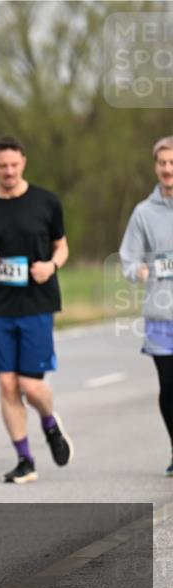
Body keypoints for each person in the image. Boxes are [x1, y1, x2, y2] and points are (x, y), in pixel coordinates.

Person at [0, 135, 73, 484]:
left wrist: (51, 266)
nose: (8, 171)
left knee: (32, 387)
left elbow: (62, 246)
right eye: (2, 166)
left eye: (14, 164)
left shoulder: (46, 201)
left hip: (38, 303)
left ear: (23, 161)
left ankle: (51, 423)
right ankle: (25, 459)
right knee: (7, 385)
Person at [118, 136, 173, 476]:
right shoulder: (143, 212)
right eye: (162, 163)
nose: (168, 169)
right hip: (161, 314)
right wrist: (135, 269)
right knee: (169, 386)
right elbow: (128, 257)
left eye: (172, 162)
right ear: (155, 166)